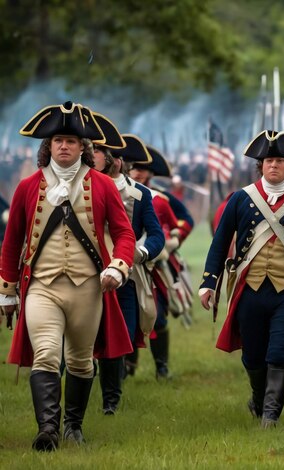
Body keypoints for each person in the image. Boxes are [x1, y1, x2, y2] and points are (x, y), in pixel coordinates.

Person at [0, 101, 135, 450]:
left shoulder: (103, 185)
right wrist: (8, 289)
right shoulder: (27, 186)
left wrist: (118, 267)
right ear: (48, 146)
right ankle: (48, 429)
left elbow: (124, 234)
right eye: (58, 140)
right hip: (41, 287)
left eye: (71, 141)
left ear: (83, 147)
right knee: (45, 354)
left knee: (79, 358)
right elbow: (12, 240)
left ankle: (73, 425)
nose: (64, 146)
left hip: (88, 287)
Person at [199, 130, 284, 428]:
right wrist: (208, 282)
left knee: (280, 353)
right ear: (261, 165)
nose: (273, 166)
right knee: (253, 357)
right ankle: (258, 399)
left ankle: (270, 416)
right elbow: (220, 243)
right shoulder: (242, 198)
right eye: (268, 160)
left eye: (280, 160)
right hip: (250, 289)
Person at [91, 120, 166, 413]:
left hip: (127, 276)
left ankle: (111, 400)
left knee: (119, 338)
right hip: (86, 273)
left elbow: (156, 234)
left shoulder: (140, 194)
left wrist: (141, 252)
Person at [129, 147, 191, 379]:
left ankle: (161, 367)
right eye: (132, 167)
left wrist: (170, 244)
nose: (135, 172)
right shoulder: (113, 192)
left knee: (158, 315)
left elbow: (183, 222)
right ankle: (127, 366)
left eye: (140, 168)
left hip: (154, 265)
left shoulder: (160, 200)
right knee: (127, 316)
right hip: (123, 263)